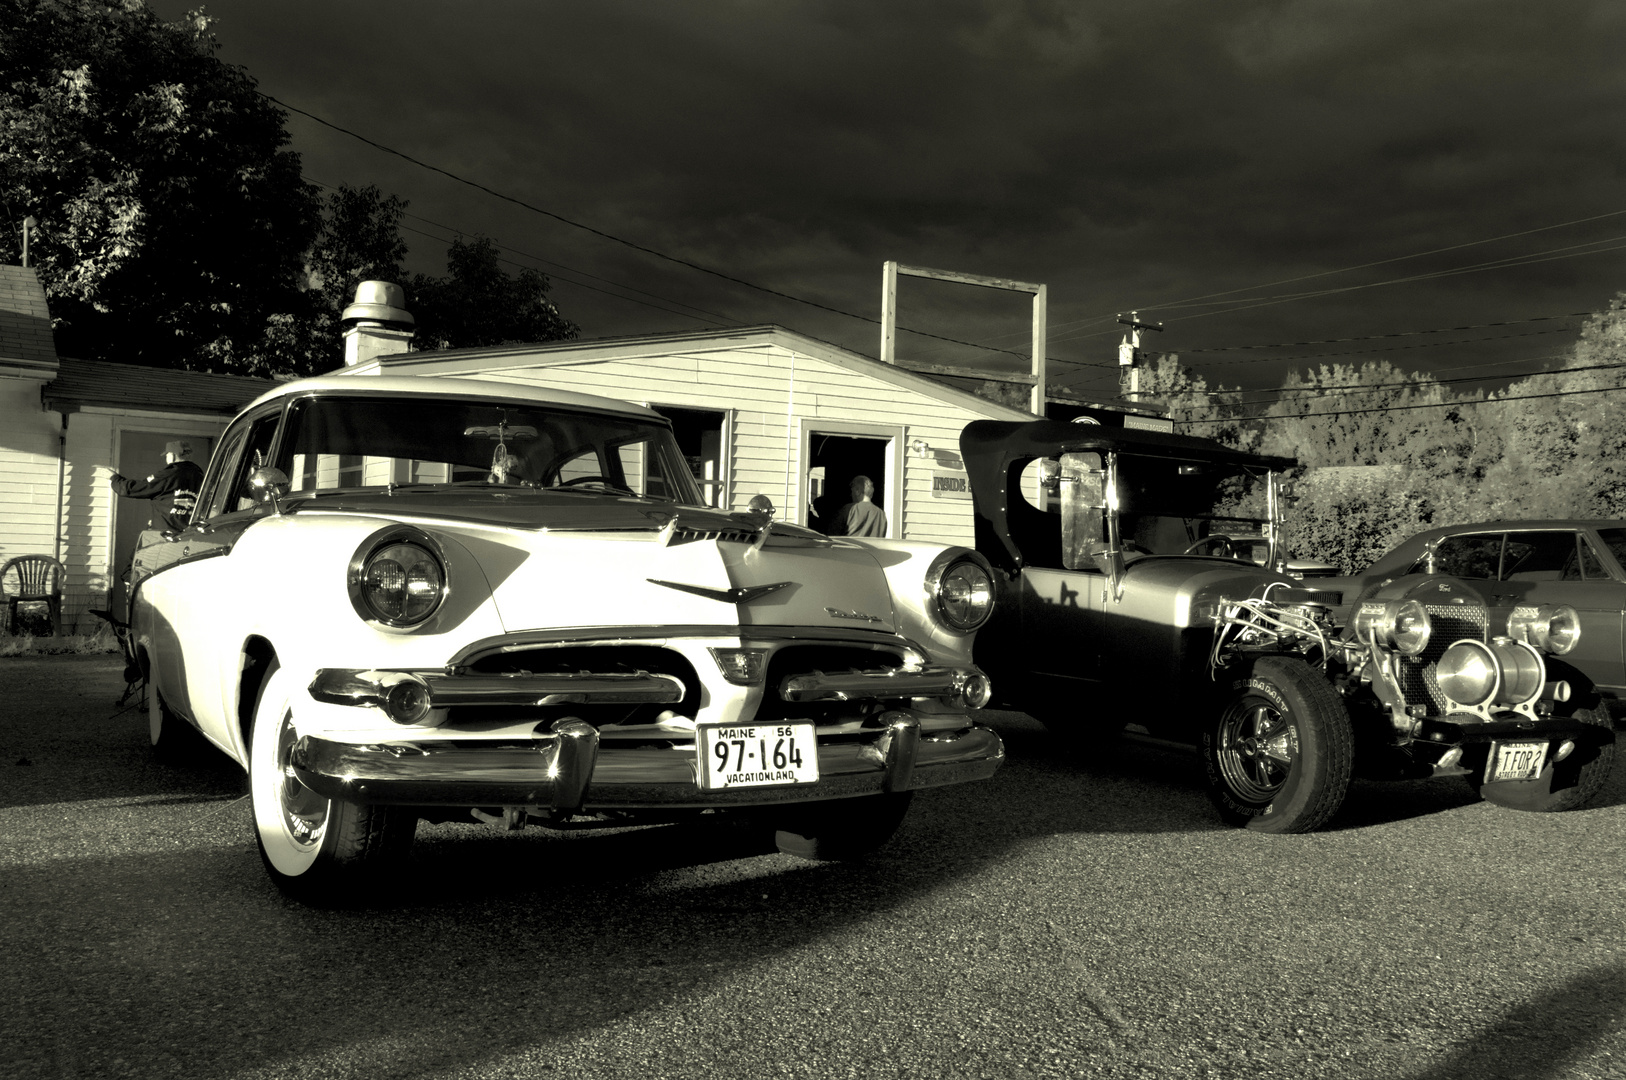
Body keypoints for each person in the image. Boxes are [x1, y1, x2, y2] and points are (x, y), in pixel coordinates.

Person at [110, 440, 204, 534]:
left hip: (167, 535)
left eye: (167, 455)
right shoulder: (201, 476)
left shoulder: (169, 474)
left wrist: (114, 478)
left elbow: (134, 489)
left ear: (173, 455)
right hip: (191, 534)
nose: (166, 458)